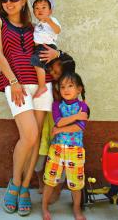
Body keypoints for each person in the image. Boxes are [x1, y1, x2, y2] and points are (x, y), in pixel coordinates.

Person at [0, 0, 60, 216]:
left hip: (41, 85)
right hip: (16, 85)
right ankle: (15, 183)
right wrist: (13, 82)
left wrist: (57, 53)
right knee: (28, 135)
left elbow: (49, 43)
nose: (9, 2)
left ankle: (26, 186)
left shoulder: (33, 26)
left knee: (36, 138)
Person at [42, 72, 89, 220]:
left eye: (70, 86)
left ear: (79, 89)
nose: (66, 89)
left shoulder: (83, 106)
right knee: (50, 181)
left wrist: (59, 130)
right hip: (56, 149)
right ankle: (44, 207)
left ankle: (76, 209)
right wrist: (75, 117)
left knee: (76, 184)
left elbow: (79, 128)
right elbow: (58, 121)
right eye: (62, 86)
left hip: (76, 151)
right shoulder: (56, 105)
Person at [35, 53, 76, 197]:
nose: (52, 73)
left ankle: (57, 191)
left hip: (62, 132)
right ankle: (41, 182)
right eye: (51, 70)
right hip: (47, 128)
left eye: (56, 72)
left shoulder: (69, 88)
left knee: (62, 162)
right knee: (39, 160)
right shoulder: (47, 83)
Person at [30, 0, 61, 98]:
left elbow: (57, 30)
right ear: (34, 12)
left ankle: (42, 86)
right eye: (37, 8)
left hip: (47, 47)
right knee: (47, 68)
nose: (40, 10)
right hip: (40, 47)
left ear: (50, 11)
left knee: (36, 61)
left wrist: (49, 20)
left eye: (44, 7)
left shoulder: (52, 20)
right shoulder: (38, 24)